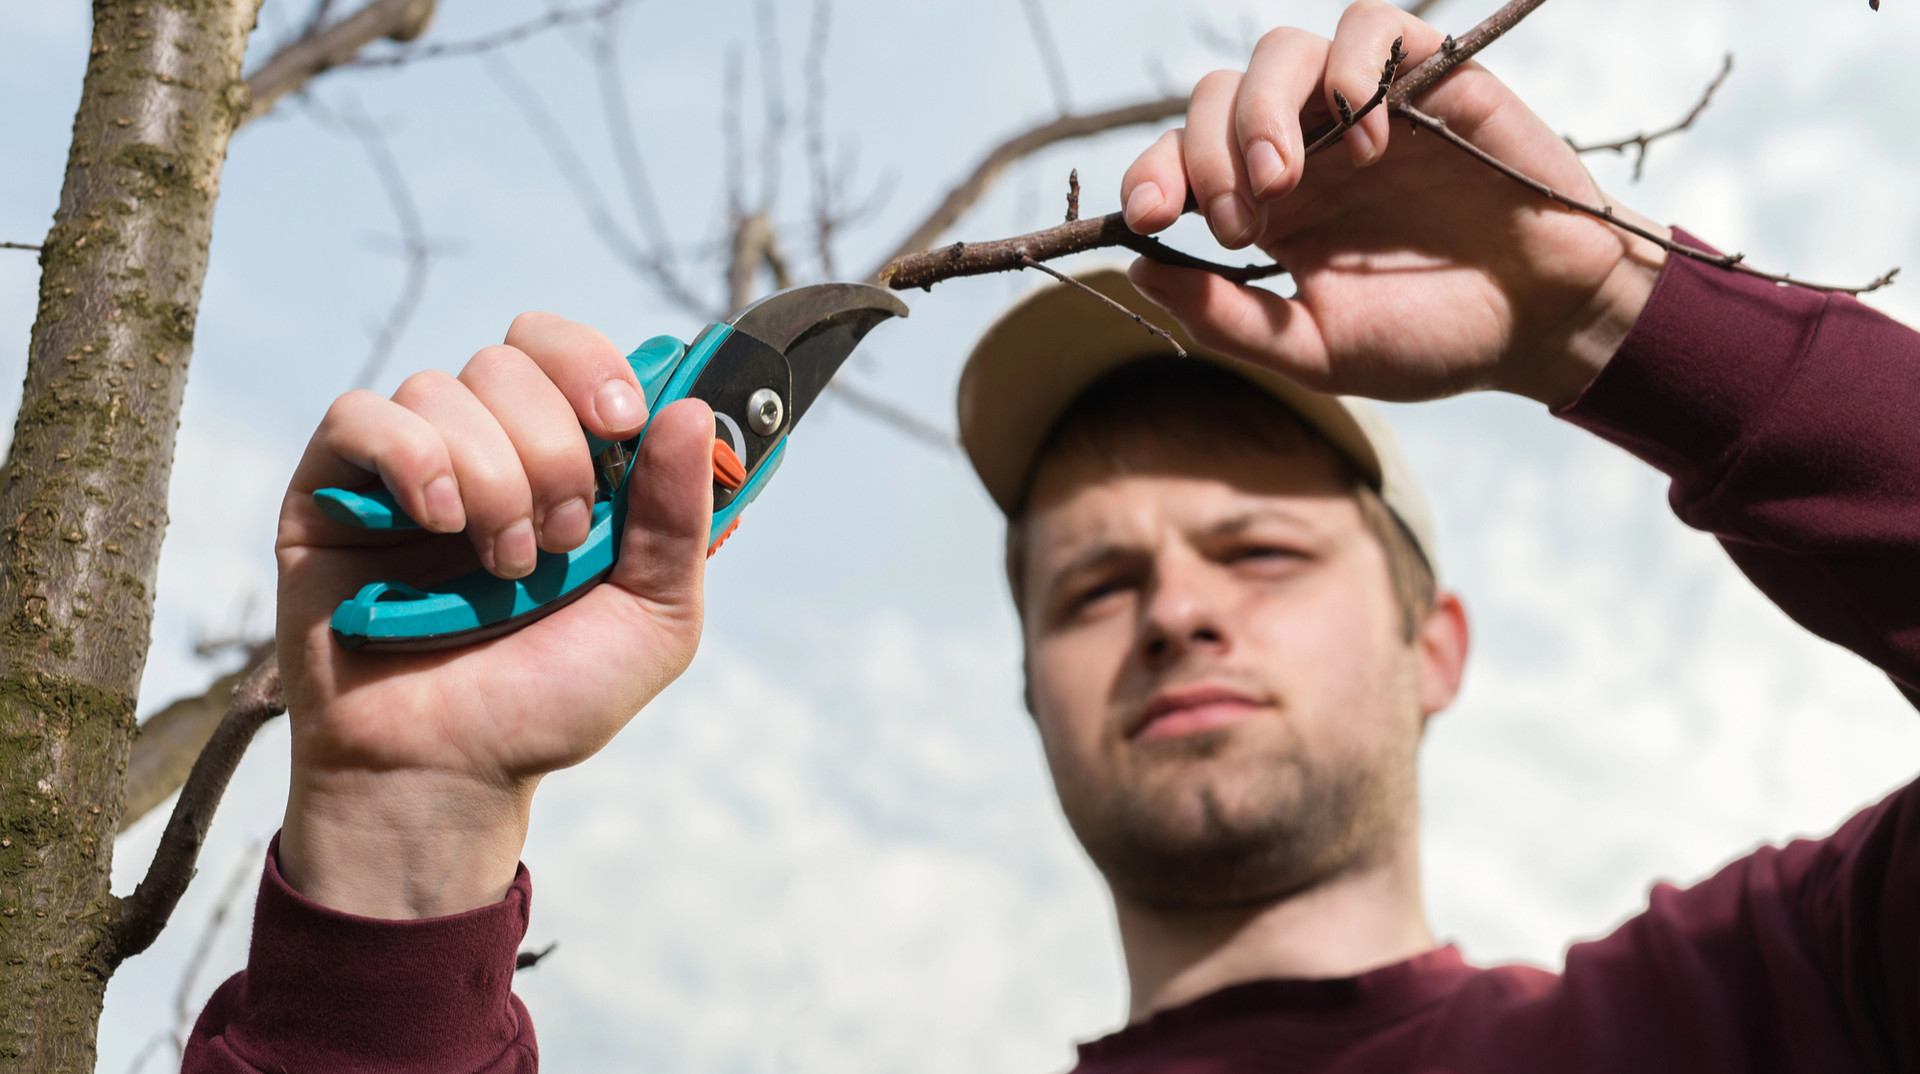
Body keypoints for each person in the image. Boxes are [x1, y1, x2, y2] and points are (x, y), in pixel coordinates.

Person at [185, 3, 1920, 1071]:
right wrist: (400, 856)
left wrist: (1615, 313)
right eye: (1096, 581)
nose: (1173, 608)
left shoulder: (1781, 1002)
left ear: (1435, 643)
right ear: (1029, 692)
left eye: (1255, 551)